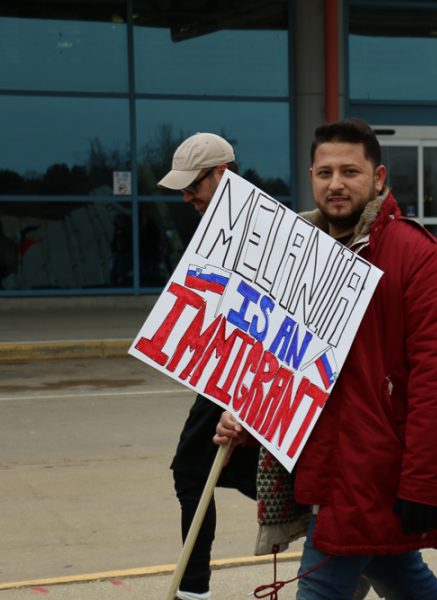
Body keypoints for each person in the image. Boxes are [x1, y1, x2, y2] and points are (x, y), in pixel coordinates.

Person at [214, 118, 437, 600]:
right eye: (325, 172)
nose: (335, 183)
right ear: (310, 176)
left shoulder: (419, 257)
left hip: (372, 471)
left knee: (324, 585)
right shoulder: (295, 255)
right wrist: (246, 416)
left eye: (350, 171)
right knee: (398, 574)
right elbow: (282, 360)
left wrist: (423, 486)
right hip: (321, 464)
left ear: (378, 178)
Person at [157, 133, 258, 600]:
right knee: (199, 471)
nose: (187, 197)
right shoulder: (215, 228)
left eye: (194, 185)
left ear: (226, 175)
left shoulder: (261, 230)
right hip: (221, 375)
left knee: (197, 470)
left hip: (253, 379)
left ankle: (192, 590)